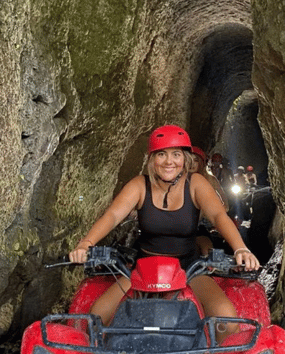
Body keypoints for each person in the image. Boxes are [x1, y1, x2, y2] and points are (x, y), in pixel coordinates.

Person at [69, 125, 259, 341]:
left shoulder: (196, 183)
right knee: (96, 317)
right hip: (143, 265)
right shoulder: (139, 185)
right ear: (152, 159)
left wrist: (240, 248)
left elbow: (218, 216)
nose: (169, 162)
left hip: (189, 266)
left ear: (185, 158)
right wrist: (86, 243)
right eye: (162, 154)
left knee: (226, 320)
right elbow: (112, 216)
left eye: (176, 154)